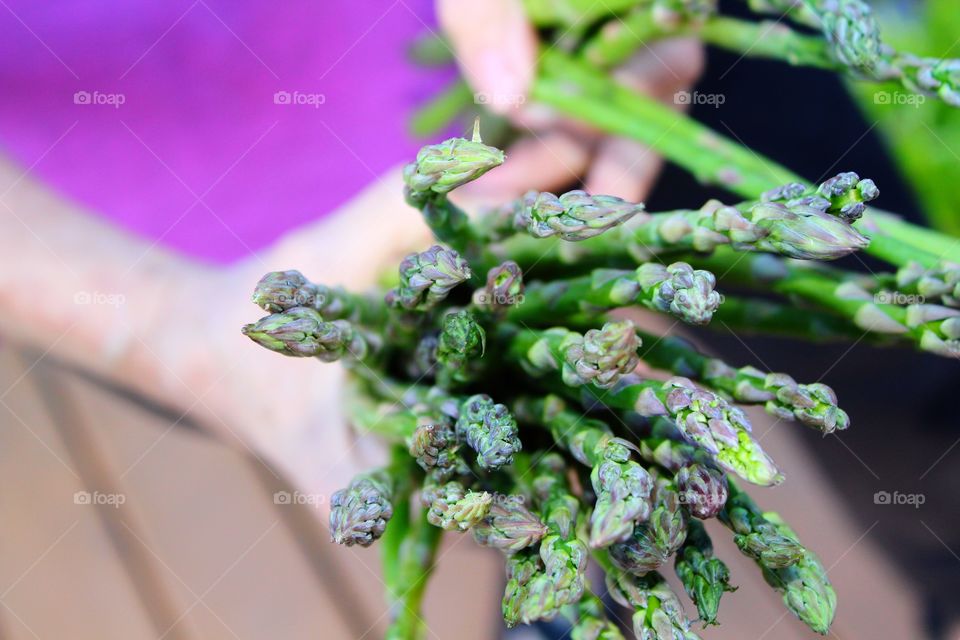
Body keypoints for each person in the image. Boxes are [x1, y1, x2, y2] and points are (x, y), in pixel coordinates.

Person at [0, 1, 930, 637]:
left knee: (895, 348)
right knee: (531, 494)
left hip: (627, 41)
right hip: (221, 259)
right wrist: (172, 333)